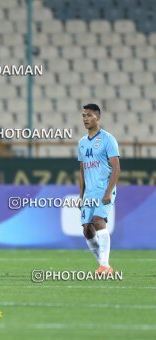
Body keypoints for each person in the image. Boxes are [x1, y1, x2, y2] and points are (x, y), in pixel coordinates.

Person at [78, 104, 120, 274]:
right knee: (87, 230)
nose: (85, 119)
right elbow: (82, 172)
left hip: (104, 188)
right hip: (89, 193)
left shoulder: (108, 139)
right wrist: (81, 196)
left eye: (89, 115)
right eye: (83, 116)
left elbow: (116, 168)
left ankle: (104, 265)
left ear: (97, 117)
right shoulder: (81, 143)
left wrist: (109, 192)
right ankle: (104, 265)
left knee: (98, 221)